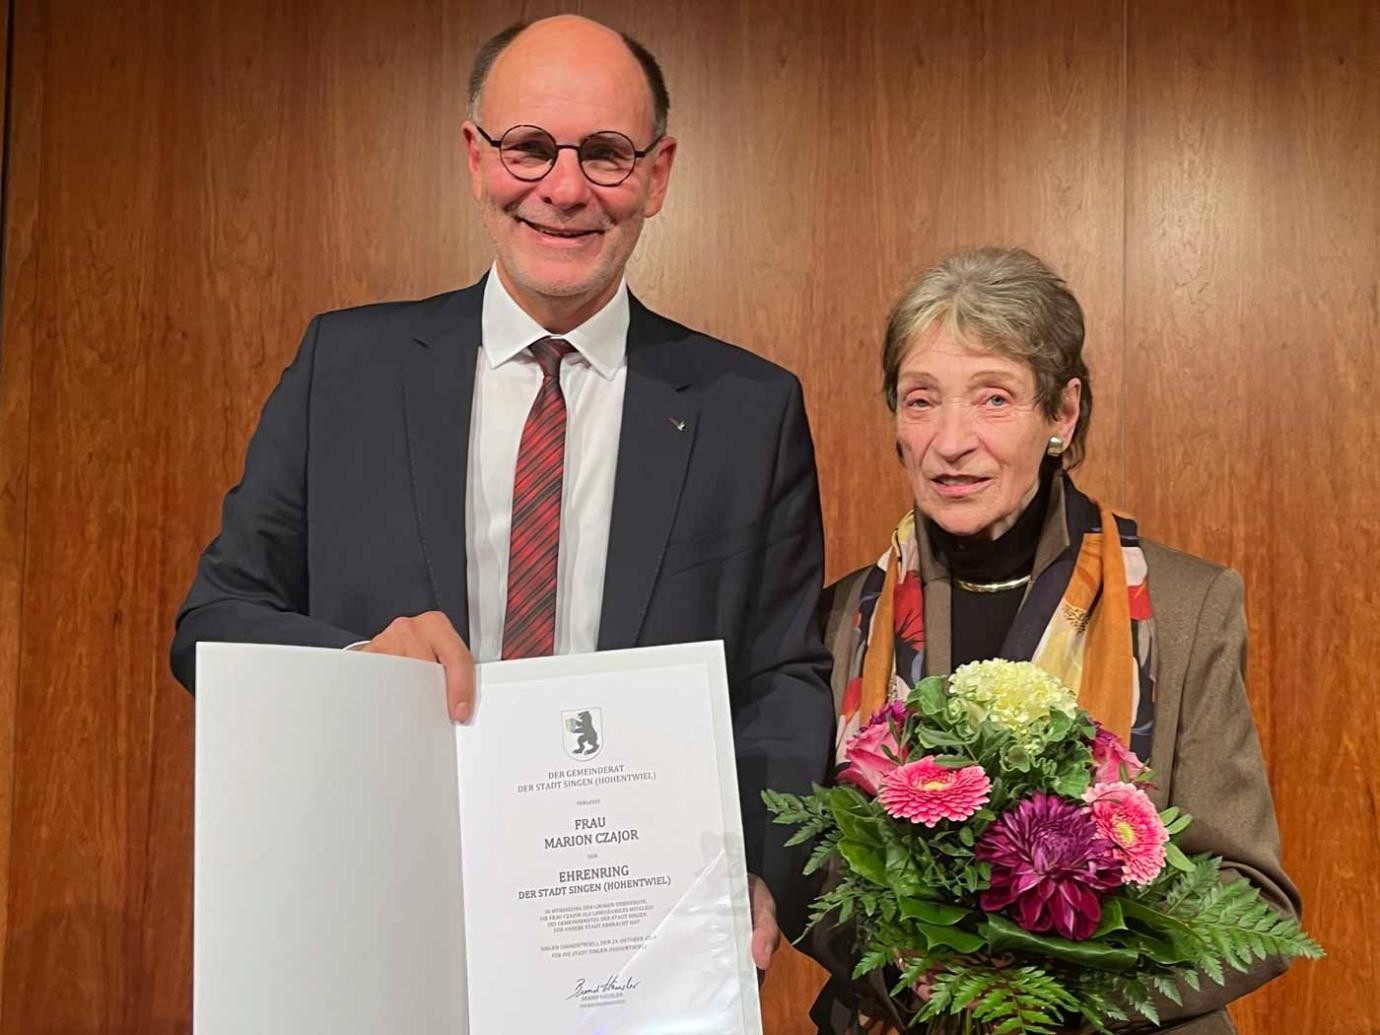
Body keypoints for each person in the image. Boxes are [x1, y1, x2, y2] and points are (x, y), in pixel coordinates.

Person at [170, 14, 833, 966]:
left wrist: (762, 866)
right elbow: (213, 624)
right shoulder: (344, 369)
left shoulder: (749, 410)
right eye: (528, 147)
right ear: (476, 157)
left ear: (658, 174)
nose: (564, 189)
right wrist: (360, 660)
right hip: (378, 915)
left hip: (631, 938)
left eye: (606, 154)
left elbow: (781, 676)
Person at [807, 247, 1300, 1034]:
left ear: (1062, 415)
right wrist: (919, 981)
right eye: (922, 400)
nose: (950, 440)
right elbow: (807, 868)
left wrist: (1049, 1005)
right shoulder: (842, 620)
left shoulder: (1184, 607)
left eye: (994, 398)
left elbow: (1253, 900)